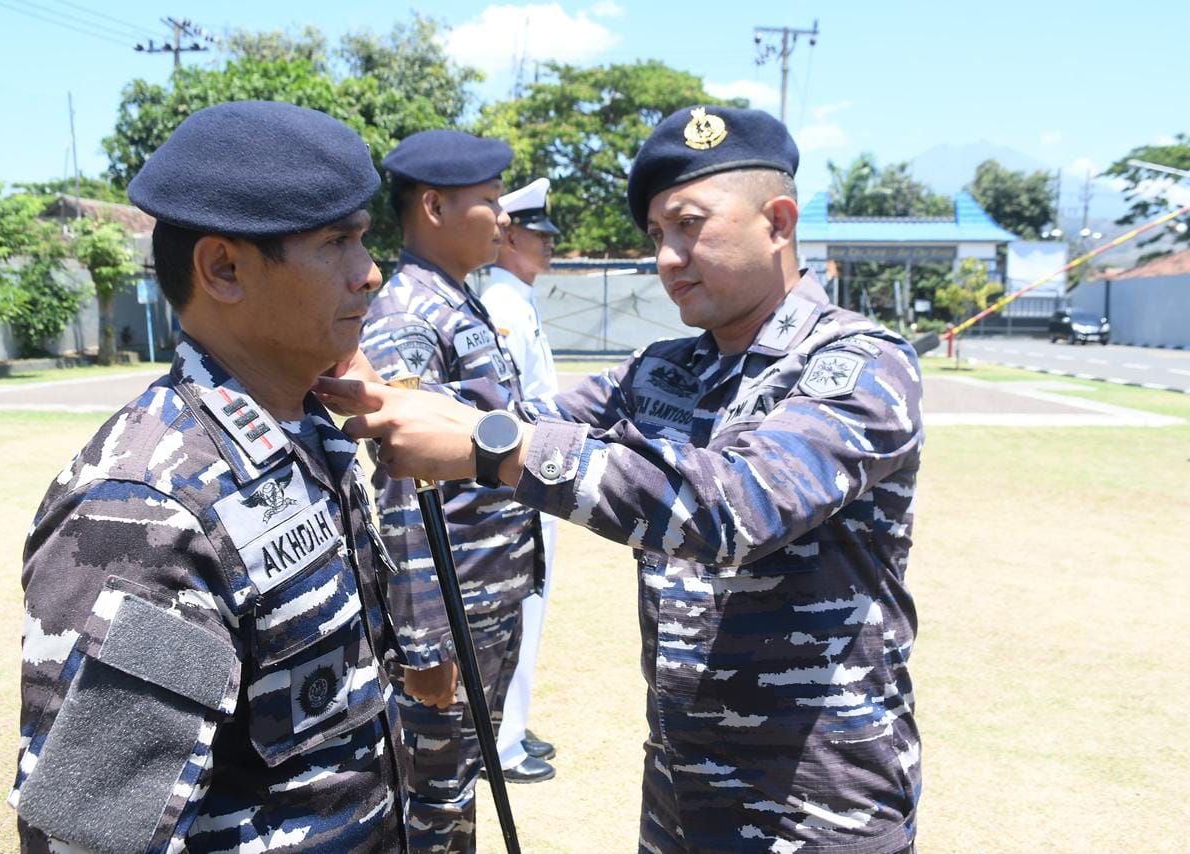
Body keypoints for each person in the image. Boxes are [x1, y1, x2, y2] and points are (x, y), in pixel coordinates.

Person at [323, 106, 925, 854]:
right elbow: (513, 419)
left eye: (689, 225)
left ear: (778, 222)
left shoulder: (860, 364)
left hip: (813, 806)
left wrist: (492, 446)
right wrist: (378, 387)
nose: (668, 257)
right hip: (681, 789)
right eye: (656, 235)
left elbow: (736, 507)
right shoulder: (664, 371)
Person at [10, 101, 410, 852]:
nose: (371, 272)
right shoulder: (146, 512)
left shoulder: (306, 432)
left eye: (363, 238)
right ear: (224, 269)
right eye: (337, 242)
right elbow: (96, 838)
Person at [360, 129, 551, 853]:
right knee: (435, 801)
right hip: (453, 608)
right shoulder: (410, 316)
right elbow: (405, 488)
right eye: (490, 201)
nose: (503, 218)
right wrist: (425, 642)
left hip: (485, 596)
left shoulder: (457, 302)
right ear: (434, 207)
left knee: (461, 785)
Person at [481, 177, 561, 779]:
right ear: (509, 239)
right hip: (520, 474)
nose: (550, 242)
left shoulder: (518, 298)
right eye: (539, 233)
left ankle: (511, 724)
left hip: (536, 468)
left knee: (531, 607)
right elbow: (508, 404)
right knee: (519, 609)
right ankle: (502, 742)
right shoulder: (503, 304)